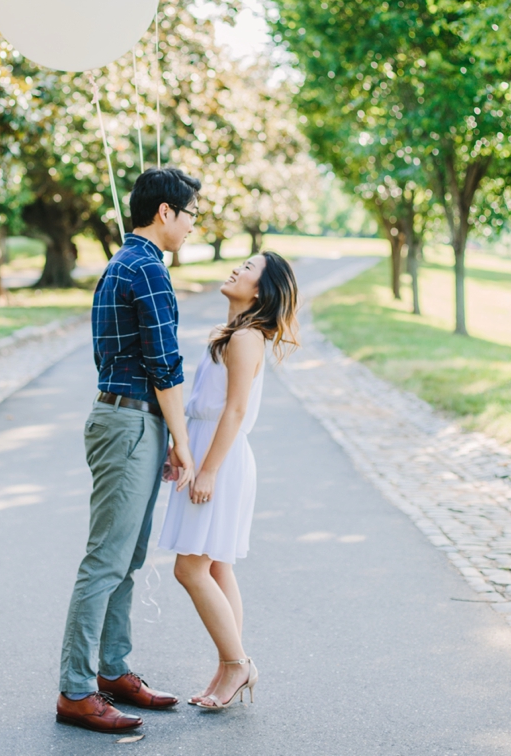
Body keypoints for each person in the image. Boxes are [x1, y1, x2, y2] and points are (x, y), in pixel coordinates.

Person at [56, 167, 202, 734]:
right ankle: (75, 688)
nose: (192, 225)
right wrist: (183, 445)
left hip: (128, 420)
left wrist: (162, 436)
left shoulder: (125, 264)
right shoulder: (148, 270)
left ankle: (113, 671)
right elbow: (165, 366)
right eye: (190, 214)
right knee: (106, 560)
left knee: (127, 558)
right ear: (164, 212)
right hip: (128, 423)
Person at [158, 250, 299, 710]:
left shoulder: (246, 339)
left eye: (248, 268)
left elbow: (235, 411)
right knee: (217, 566)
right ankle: (228, 668)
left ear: (260, 289)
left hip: (223, 459)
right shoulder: (232, 334)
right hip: (208, 450)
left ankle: (238, 664)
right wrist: (183, 449)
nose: (237, 268)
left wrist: (210, 469)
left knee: (190, 568)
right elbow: (207, 403)